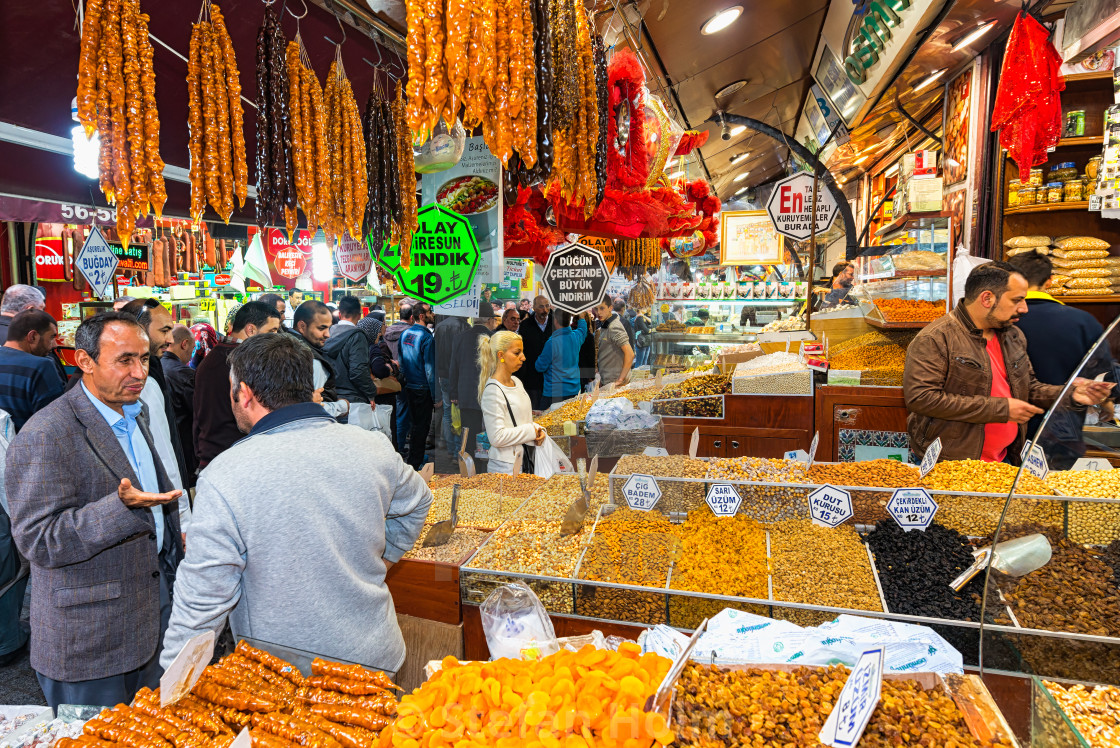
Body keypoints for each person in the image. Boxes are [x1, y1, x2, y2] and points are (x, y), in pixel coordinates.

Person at [159, 333, 431, 675]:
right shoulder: (372, 446)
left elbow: (202, 602)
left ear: (243, 394)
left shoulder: (225, 475)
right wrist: (384, 560)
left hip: (290, 681)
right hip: (376, 658)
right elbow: (418, 501)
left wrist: (173, 683)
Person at [6, 311, 183, 708]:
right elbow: (38, 540)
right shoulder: (46, 433)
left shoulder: (137, 412)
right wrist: (118, 508)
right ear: (84, 361)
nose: (139, 372)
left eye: (145, 358)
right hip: (88, 642)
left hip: (151, 617)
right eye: (124, 360)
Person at [904, 262, 1113, 464]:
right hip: (951, 463)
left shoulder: (1012, 335)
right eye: (1017, 300)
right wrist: (1002, 409)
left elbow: (1028, 388)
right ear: (987, 298)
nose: (1024, 309)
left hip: (1004, 458)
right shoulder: (935, 338)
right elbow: (922, 398)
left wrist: (1070, 394)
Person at [1008, 251, 1113, 468]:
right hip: (1062, 431)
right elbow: (1103, 376)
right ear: (1050, 281)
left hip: (1006, 426)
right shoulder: (1083, 321)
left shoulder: (1002, 321)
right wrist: (1107, 402)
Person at [120, 299, 191, 515]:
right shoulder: (143, 383)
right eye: (164, 330)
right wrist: (182, 514)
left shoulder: (153, 372)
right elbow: (163, 451)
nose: (170, 340)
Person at [194, 302, 282, 469]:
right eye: (272, 331)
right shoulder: (245, 362)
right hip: (234, 459)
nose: (275, 337)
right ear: (251, 330)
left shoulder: (213, 357)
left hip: (212, 454)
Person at [479, 331, 546, 474]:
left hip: (525, 459)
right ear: (501, 355)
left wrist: (538, 430)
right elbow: (496, 437)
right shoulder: (493, 391)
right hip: (505, 467)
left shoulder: (517, 382)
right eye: (517, 353)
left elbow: (522, 420)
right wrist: (531, 431)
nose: (523, 357)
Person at [449, 302, 499, 463]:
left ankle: (470, 472)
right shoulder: (494, 339)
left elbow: (453, 367)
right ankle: (487, 472)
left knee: (469, 439)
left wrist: (454, 393)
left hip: (466, 395)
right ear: (489, 320)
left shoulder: (459, 338)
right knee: (491, 436)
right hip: (491, 395)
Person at [0, 310, 63, 431]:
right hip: (26, 446)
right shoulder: (41, 366)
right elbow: (55, 422)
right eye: (51, 337)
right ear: (32, 336)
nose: (54, 345)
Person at [293, 301, 347, 421]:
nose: (327, 334)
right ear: (302, 326)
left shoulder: (282, 347)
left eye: (329, 328)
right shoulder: (313, 361)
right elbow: (313, 408)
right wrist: (343, 407)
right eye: (321, 328)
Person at [399, 303, 437, 469]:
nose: (432, 314)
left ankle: (416, 456)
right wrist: (436, 396)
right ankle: (416, 461)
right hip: (422, 388)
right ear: (421, 315)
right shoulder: (427, 337)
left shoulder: (405, 333)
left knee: (413, 425)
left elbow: (400, 361)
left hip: (409, 386)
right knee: (421, 426)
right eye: (429, 311)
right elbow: (430, 369)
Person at [357, 315, 403, 447]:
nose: (380, 333)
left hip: (366, 396)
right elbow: (379, 370)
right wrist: (391, 368)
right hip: (382, 395)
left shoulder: (358, 347)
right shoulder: (374, 347)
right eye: (378, 329)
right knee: (386, 431)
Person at [324, 295, 377, 405]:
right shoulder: (357, 336)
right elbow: (358, 371)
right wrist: (371, 392)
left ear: (339, 314)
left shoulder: (326, 334)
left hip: (330, 397)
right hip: (353, 399)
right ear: (359, 316)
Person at [160, 325, 197, 480]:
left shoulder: (155, 368)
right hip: (185, 449)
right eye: (193, 348)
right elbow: (199, 413)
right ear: (184, 344)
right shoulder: (185, 375)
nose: (192, 353)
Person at [536, 310, 589, 409]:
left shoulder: (551, 343)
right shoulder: (576, 336)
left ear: (555, 320)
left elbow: (540, 367)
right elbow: (583, 329)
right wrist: (581, 316)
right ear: (569, 320)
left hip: (553, 394)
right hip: (574, 392)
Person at [435, 313, 469, 458]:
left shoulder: (440, 326)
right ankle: (457, 451)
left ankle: (450, 448)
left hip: (443, 374)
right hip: (458, 374)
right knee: (459, 413)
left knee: (448, 412)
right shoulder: (464, 326)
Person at [385, 305, 413, 455]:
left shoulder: (386, 331)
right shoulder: (410, 333)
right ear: (412, 317)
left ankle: (393, 446)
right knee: (403, 413)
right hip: (403, 377)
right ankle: (399, 447)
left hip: (387, 378)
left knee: (392, 413)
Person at [516, 296, 553, 410]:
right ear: (534, 308)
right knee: (534, 411)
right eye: (541, 307)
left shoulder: (555, 323)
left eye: (547, 306)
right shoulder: (525, 326)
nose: (545, 310)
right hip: (532, 378)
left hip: (553, 379)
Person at [594, 296, 635, 387]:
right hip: (609, 380)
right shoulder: (605, 324)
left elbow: (630, 354)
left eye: (602, 308)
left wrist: (620, 379)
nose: (599, 312)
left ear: (610, 308)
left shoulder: (614, 326)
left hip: (615, 382)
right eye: (596, 309)